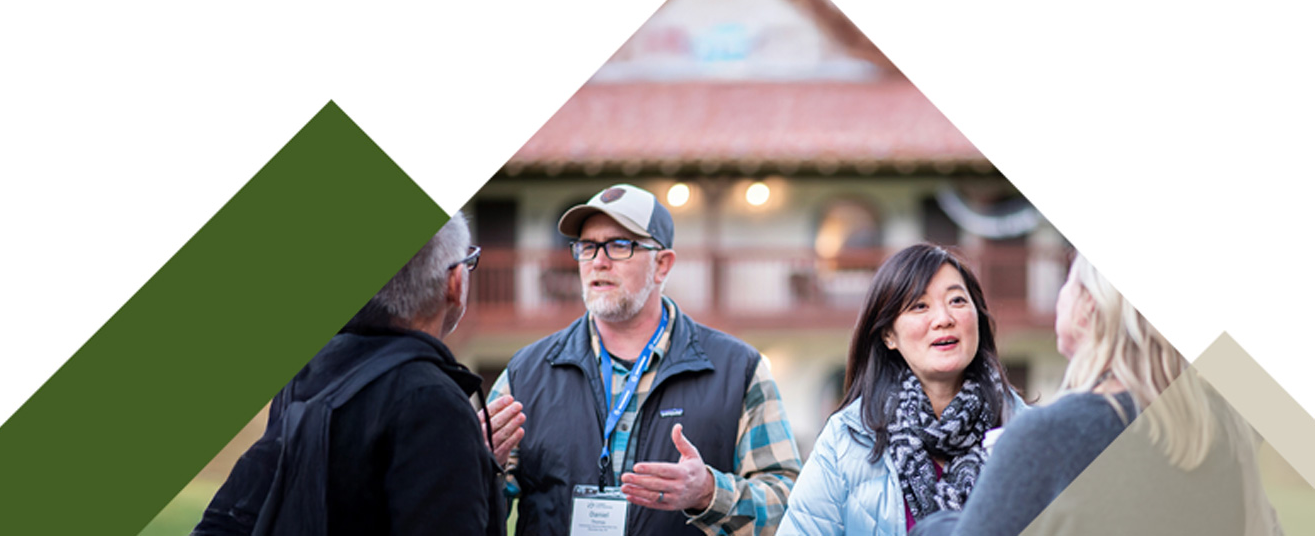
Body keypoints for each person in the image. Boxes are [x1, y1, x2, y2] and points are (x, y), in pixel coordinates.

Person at [482, 183, 803, 536]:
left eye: (620, 246)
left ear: (662, 265)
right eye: (588, 247)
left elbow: (788, 506)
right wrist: (482, 464)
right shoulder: (526, 373)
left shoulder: (739, 370)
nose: (598, 261)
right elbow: (467, 509)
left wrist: (709, 492)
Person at [909, 254, 1283, 536]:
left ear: (1089, 306)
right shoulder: (1221, 426)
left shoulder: (1052, 435)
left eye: (1068, 281)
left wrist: (936, 525)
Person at [192, 213, 505, 536]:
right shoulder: (430, 401)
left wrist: (471, 458)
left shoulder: (306, 377)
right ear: (455, 282)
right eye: (469, 261)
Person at [776, 243, 1026, 536]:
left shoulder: (1028, 431)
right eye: (920, 306)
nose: (944, 318)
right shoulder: (846, 440)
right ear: (888, 335)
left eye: (957, 301)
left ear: (978, 318)